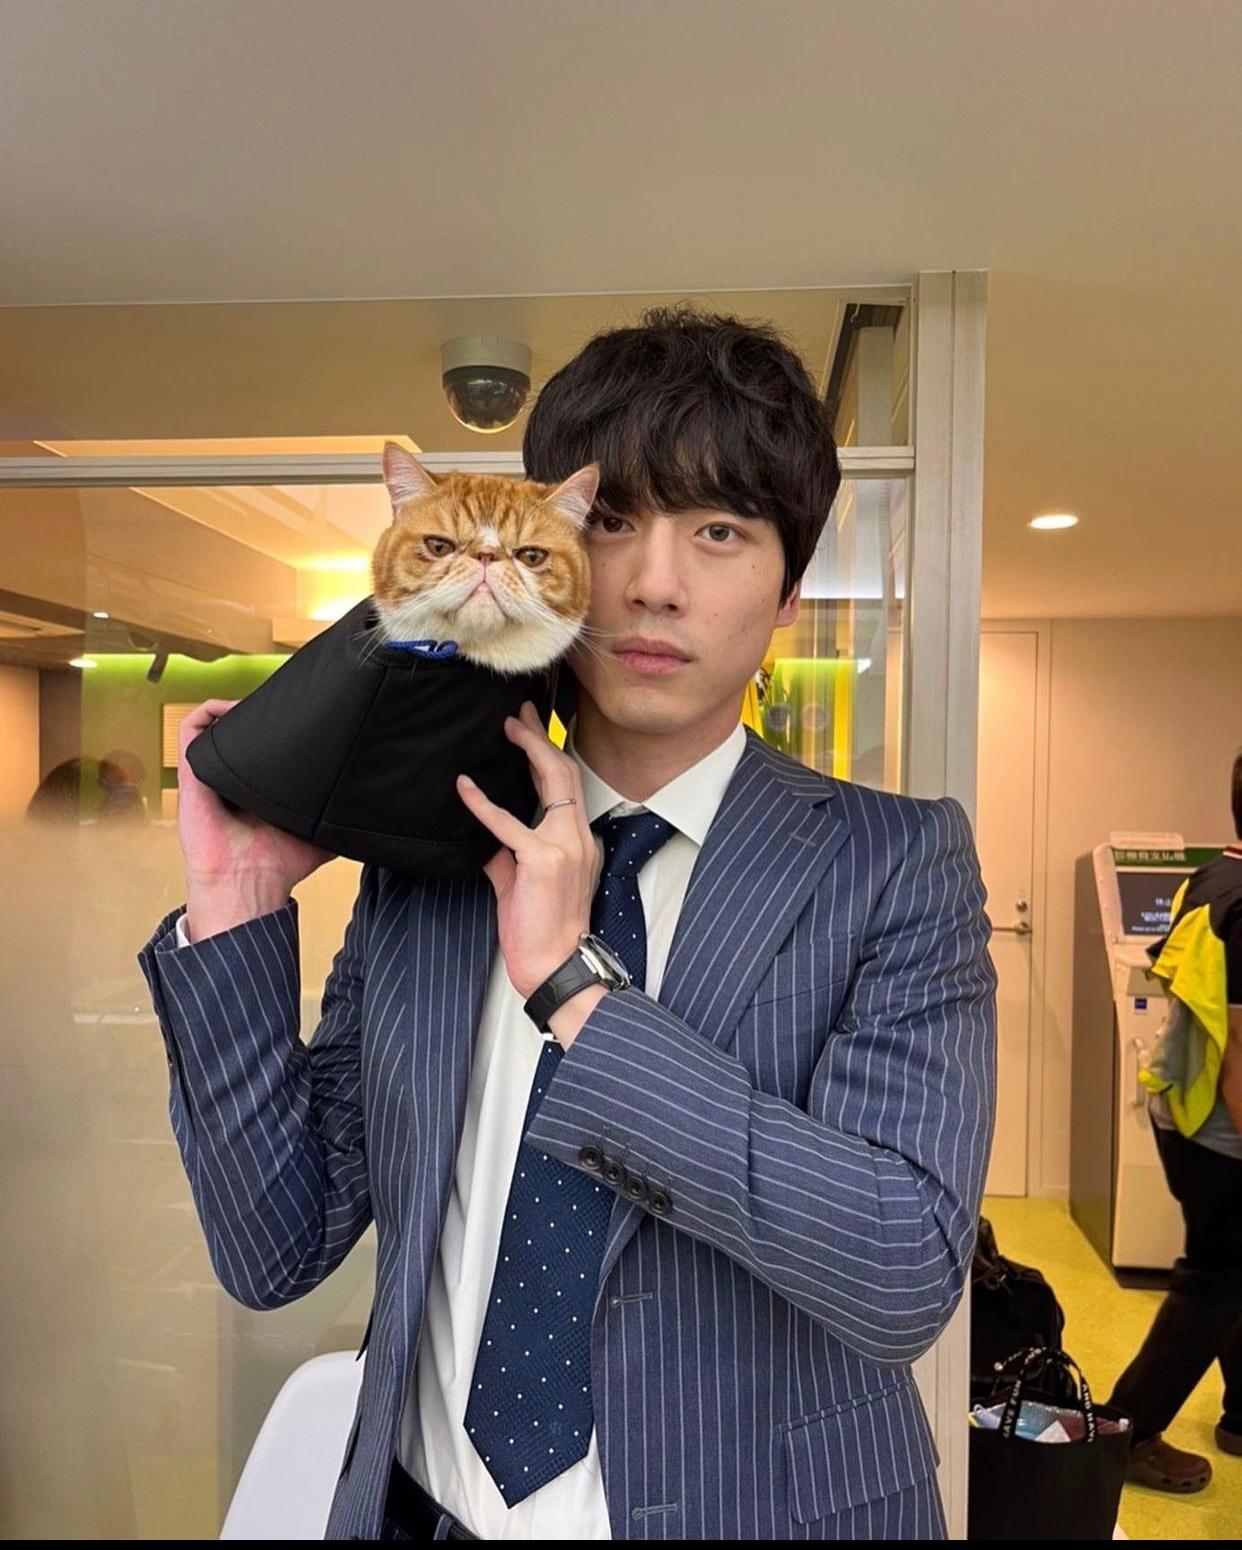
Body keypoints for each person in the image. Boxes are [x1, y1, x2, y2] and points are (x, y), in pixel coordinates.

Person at [136, 305, 997, 1541]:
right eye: (614, 521)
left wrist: (575, 993)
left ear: (790, 592)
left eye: (719, 531)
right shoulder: (437, 848)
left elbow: (900, 1267)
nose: (653, 583)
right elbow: (273, 1246)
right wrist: (238, 900)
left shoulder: (895, 863)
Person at [1109, 753, 1242, 1493]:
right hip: (1221, 1126)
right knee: (1213, 1282)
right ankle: (1127, 1432)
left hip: (1183, 1108)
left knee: (1230, 1271)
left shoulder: (1210, 877)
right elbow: (1240, 1053)